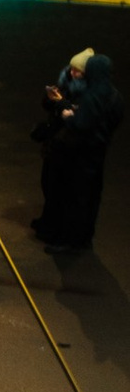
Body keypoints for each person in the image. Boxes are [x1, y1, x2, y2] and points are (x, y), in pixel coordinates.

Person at [33, 47, 122, 251]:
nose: (74, 73)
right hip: (91, 153)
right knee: (82, 197)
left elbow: (82, 123)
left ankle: (69, 239)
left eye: (81, 71)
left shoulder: (93, 95)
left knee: (74, 197)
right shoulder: (112, 95)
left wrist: (68, 114)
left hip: (80, 154)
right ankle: (73, 235)